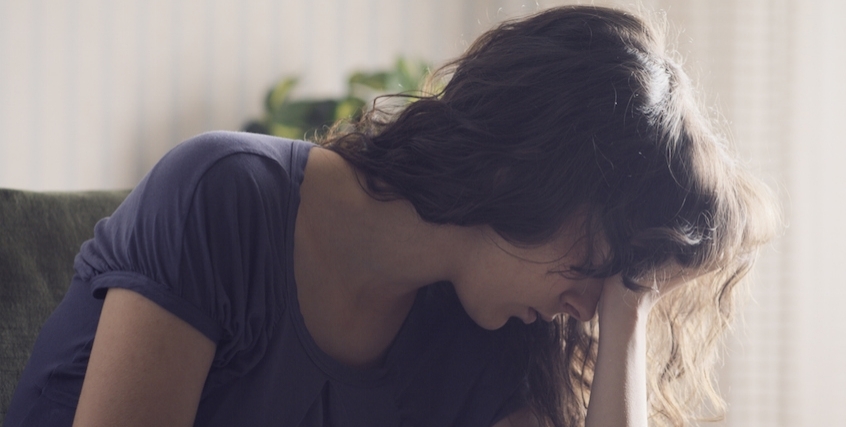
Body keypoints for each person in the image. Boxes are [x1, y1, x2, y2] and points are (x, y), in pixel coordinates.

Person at [4, 5, 776, 427]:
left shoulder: (493, 331)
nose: (590, 302)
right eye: (600, 260)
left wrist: (630, 313)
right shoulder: (222, 197)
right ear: (527, 172)